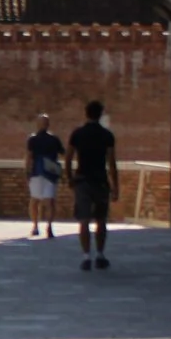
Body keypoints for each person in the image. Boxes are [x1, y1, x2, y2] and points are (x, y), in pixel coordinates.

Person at [64, 100, 119, 271]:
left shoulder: (77, 134)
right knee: (101, 220)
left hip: (82, 180)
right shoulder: (107, 135)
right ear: (100, 114)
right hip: (100, 181)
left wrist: (70, 178)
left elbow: (67, 159)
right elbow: (112, 163)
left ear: (86, 113)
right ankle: (100, 255)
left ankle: (86, 256)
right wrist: (116, 186)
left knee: (84, 220)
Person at [24, 113, 64, 239]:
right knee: (50, 201)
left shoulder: (33, 139)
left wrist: (27, 172)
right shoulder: (54, 139)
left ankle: (35, 226)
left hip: (36, 172)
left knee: (34, 200)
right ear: (48, 125)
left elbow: (29, 156)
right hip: (51, 172)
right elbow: (63, 153)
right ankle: (49, 226)